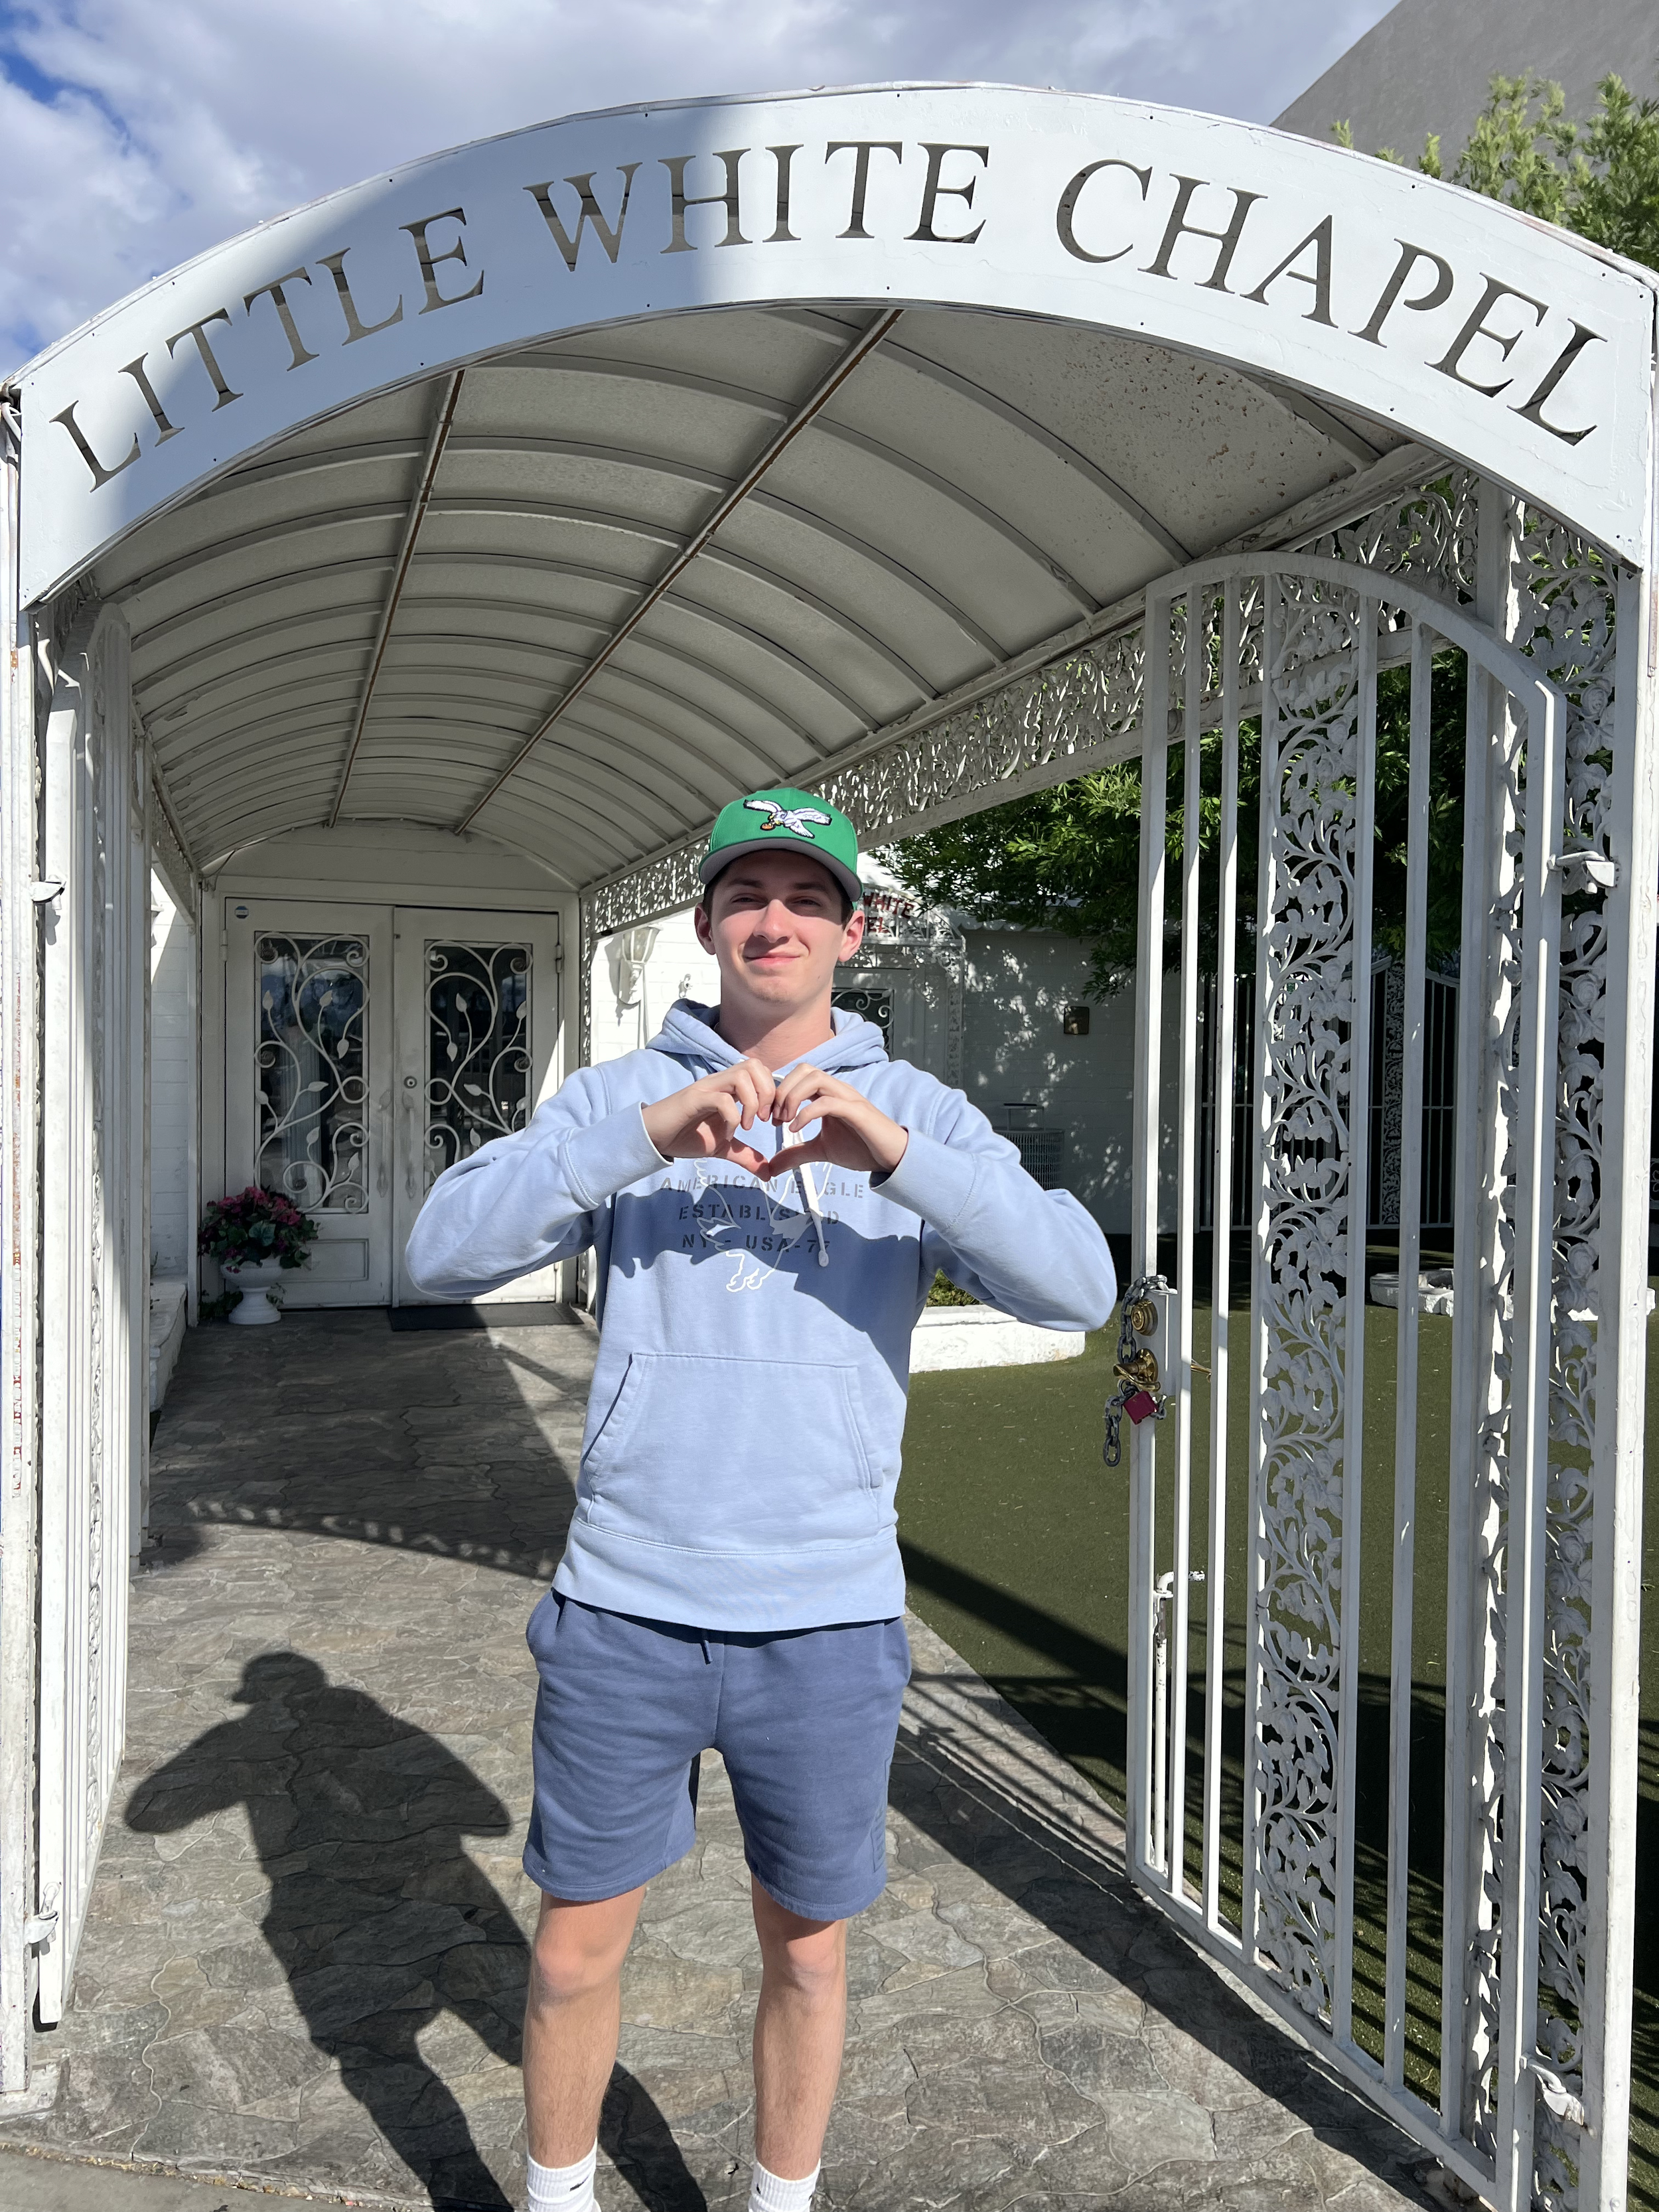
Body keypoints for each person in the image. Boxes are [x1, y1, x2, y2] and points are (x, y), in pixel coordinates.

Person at [405, 786, 1118, 2212]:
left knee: (805, 1949)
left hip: (826, 1616)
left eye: (804, 899)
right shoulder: (623, 1095)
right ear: (706, 923)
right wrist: (644, 1136)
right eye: (747, 896)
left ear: (851, 930)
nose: (772, 921)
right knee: (570, 1948)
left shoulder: (912, 1108)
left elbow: (1077, 1288)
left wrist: (897, 1158)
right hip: (625, 1606)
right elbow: (436, 1251)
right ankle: (556, 2198)